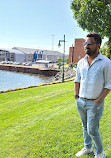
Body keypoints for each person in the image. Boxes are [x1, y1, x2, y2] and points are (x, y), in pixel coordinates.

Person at [74, 32, 111, 158]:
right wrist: (76, 96)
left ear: (98, 45)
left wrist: (99, 100)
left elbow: (108, 85)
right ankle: (88, 147)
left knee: (92, 130)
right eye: (85, 43)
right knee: (85, 127)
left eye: (90, 43)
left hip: (95, 103)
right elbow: (77, 80)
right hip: (81, 101)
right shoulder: (81, 62)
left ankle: (100, 153)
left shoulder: (106, 62)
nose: (86, 46)